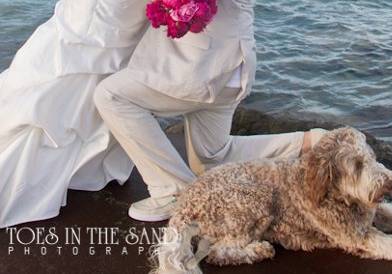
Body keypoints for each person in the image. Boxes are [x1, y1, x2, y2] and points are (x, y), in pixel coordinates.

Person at [94, 0, 327, 222]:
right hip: (228, 70)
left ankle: (173, 192)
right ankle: (313, 143)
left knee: (112, 96)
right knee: (212, 157)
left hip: (199, 69)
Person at [0, 0, 150, 228]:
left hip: (116, 16)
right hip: (103, 17)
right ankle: (78, 167)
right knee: (54, 93)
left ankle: (79, 166)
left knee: (82, 87)